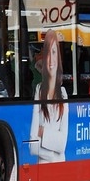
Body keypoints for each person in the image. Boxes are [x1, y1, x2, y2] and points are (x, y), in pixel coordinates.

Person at [29, 29, 68, 162]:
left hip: (60, 168)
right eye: (47, 53)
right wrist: (54, 156)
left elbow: (62, 144)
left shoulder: (63, 94)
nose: (51, 59)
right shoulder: (39, 91)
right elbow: (32, 146)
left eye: (54, 52)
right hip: (45, 166)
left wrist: (43, 132)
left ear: (58, 56)